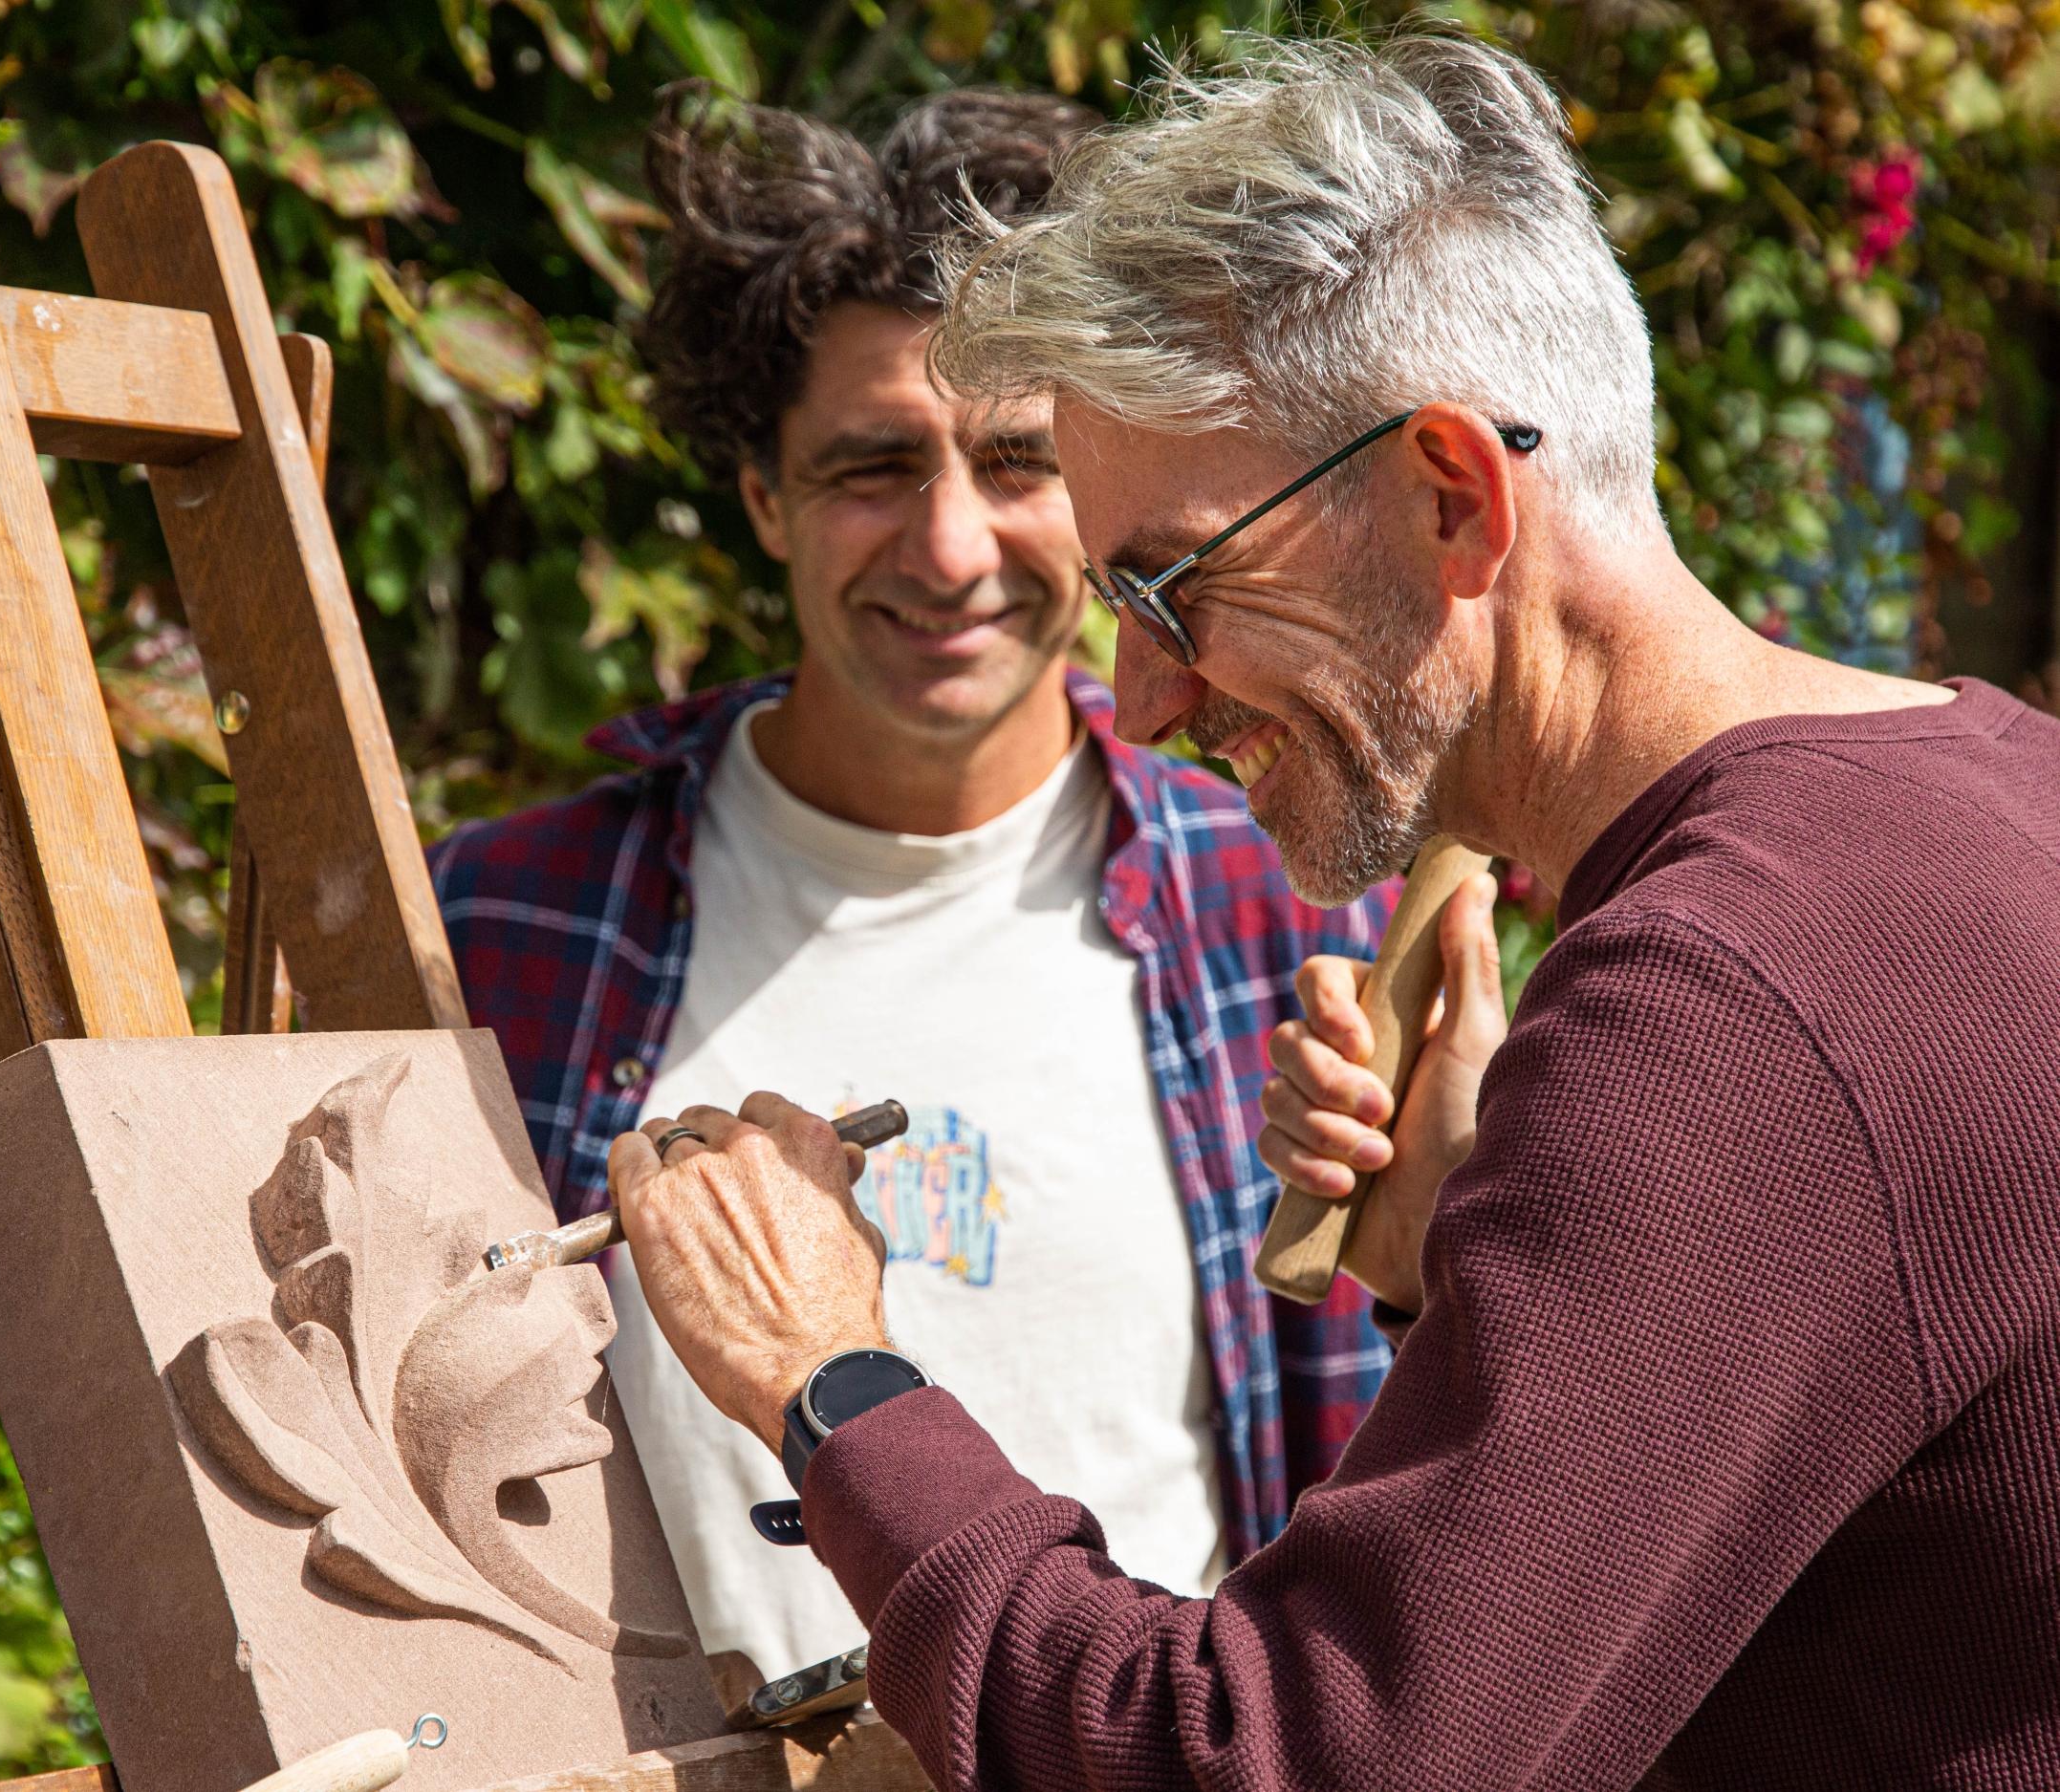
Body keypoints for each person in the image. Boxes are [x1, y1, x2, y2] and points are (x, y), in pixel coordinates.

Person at [602, 32, 2060, 1790]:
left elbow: (1278, 1764)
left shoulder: (1740, 995)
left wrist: (828, 1380)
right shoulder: (1992, 796)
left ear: (1451, 496)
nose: (1133, 698)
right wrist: (1466, 1278)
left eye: (1170, 584)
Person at [425, 83, 1398, 1694]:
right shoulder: (507, 923)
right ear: (762, 501)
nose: (950, 550)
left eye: (1018, 465)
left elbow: (1382, 1464)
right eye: (874, 466)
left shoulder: (1287, 902)